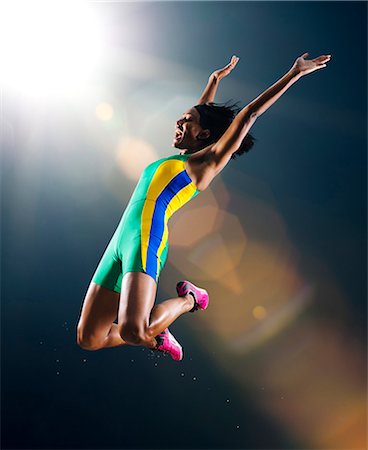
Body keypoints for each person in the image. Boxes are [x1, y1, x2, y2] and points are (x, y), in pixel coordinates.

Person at [77, 52, 331, 360]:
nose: (180, 121)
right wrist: (212, 82)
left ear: (205, 134)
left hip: (146, 237)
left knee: (135, 331)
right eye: (181, 118)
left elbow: (247, 115)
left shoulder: (203, 165)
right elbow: (200, 114)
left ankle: (189, 301)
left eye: (188, 121)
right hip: (119, 239)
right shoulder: (179, 159)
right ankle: (156, 331)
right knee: (89, 338)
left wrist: (294, 74)